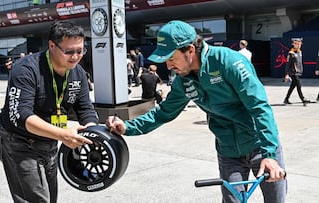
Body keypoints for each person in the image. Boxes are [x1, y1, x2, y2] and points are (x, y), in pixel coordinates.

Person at [106, 20, 286, 203]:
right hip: (228, 151)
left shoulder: (229, 62)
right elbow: (163, 113)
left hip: (260, 145)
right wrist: (128, 127)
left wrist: (269, 154)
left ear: (190, 50)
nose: (168, 66)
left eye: (171, 58)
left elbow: (259, 107)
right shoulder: (182, 82)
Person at [0, 21, 99, 202]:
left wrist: (93, 132)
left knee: (50, 199)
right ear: (52, 45)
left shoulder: (78, 73)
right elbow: (20, 115)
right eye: (69, 51)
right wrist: (63, 135)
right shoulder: (26, 69)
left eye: (80, 51)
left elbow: (85, 108)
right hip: (19, 142)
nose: (75, 57)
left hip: (50, 140)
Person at [283, 38, 310, 105]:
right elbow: (288, 64)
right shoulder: (291, 53)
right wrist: (287, 74)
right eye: (296, 44)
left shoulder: (300, 52)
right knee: (298, 85)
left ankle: (286, 99)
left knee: (292, 86)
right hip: (293, 72)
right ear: (293, 44)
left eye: (299, 44)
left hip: (298, 72)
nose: (298, 45)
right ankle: (303, 99)